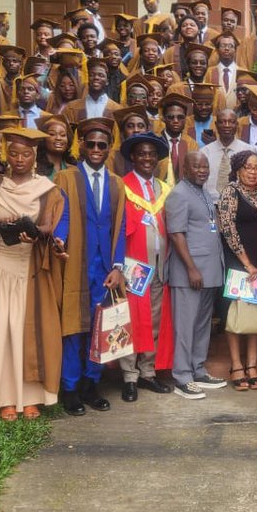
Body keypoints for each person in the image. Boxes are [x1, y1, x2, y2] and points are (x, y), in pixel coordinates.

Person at [0, 127, 66, 420]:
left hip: (31, 268)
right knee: (2, 328)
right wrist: (2, 224)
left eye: (26, 154)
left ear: (35, 157)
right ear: (6, 153)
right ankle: (5, 397)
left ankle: (30, 397)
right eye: (14, 153)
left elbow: (49, 225)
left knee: (28, 329)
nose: (19, 159)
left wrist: (34, 231)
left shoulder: (47, 188)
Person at [56, 117, 127, 415]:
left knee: (102, 328)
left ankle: (91, 384)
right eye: (91, 144)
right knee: (74, 328)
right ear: (81, 145)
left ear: (110, 148)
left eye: (102, 145)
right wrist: (58, 240)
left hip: (105, 268)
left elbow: (120, 227)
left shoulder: (116, 183)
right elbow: (61, 216)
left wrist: (118, 266)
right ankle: (70, 388)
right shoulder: (66, 178)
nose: (96, 149)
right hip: (75, 262)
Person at [117, 133, 176, 397]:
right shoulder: (123, 187)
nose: (147, 158)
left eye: (152, 154)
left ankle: (147, 372)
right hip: (133, 267)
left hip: (160, 266)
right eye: (142, 153)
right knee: (130, 320)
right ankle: (129, 375)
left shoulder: (164, 189)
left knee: (154, 320)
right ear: (133, 157)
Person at [165, 152, 227, 399]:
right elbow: (177, 234)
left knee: (202, 325)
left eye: (205, 166)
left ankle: (198, 369)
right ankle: (182, 376)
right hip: (189, 273)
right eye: (196, 166)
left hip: (209, 271)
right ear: (185, 169)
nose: (202, 170)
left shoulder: (201, 191)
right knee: (185, 326)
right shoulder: (179, 194)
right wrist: (191, 268)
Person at [216, 150, 257, 391]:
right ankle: (236, 364)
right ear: (238, 169)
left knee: (254, 311)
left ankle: (252, 364)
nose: (252, 171)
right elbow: (228, 229)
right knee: (235, 311)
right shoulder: (230, 192)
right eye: (247, 167)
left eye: (256, 167)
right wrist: (247, 263)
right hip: (238, 261)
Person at [200, 108, 256, 201]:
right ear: (216, 125)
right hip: (210, 205)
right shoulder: (204, 153)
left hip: (240, 204)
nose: (226, 125)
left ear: (237, 125)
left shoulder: (249, 152)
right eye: (222, 122)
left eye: (231, 122)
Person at [157, 91, 197, 184]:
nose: (175, 121)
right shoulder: (156, 141)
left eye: (180, 117)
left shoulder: (191, 144)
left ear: (185, 119)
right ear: (163, 118)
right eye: (171, 117)